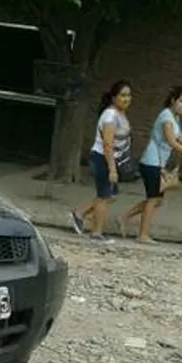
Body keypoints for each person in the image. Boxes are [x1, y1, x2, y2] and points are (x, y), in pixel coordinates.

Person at [118, 86, 182, 244]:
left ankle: (124, 217)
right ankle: (143, 235)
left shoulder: (175, 117)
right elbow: (172, 141)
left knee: (158, 200)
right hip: (151, 162)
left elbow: (181, 138)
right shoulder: (166, 117)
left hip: (157, 164)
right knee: (153, 199)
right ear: (173, 100)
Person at [70, 80, 133, 244]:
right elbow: (107, 143)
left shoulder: (120, 114)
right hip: (103, 158)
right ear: (114, 98)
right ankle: (96, 233)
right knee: (104, 196)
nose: (126, 99)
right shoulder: (111, 115)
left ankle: (80, 212)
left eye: (129, 95)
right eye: (123, 95)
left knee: (110, 195)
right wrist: (112, 169)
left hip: (113, 159)